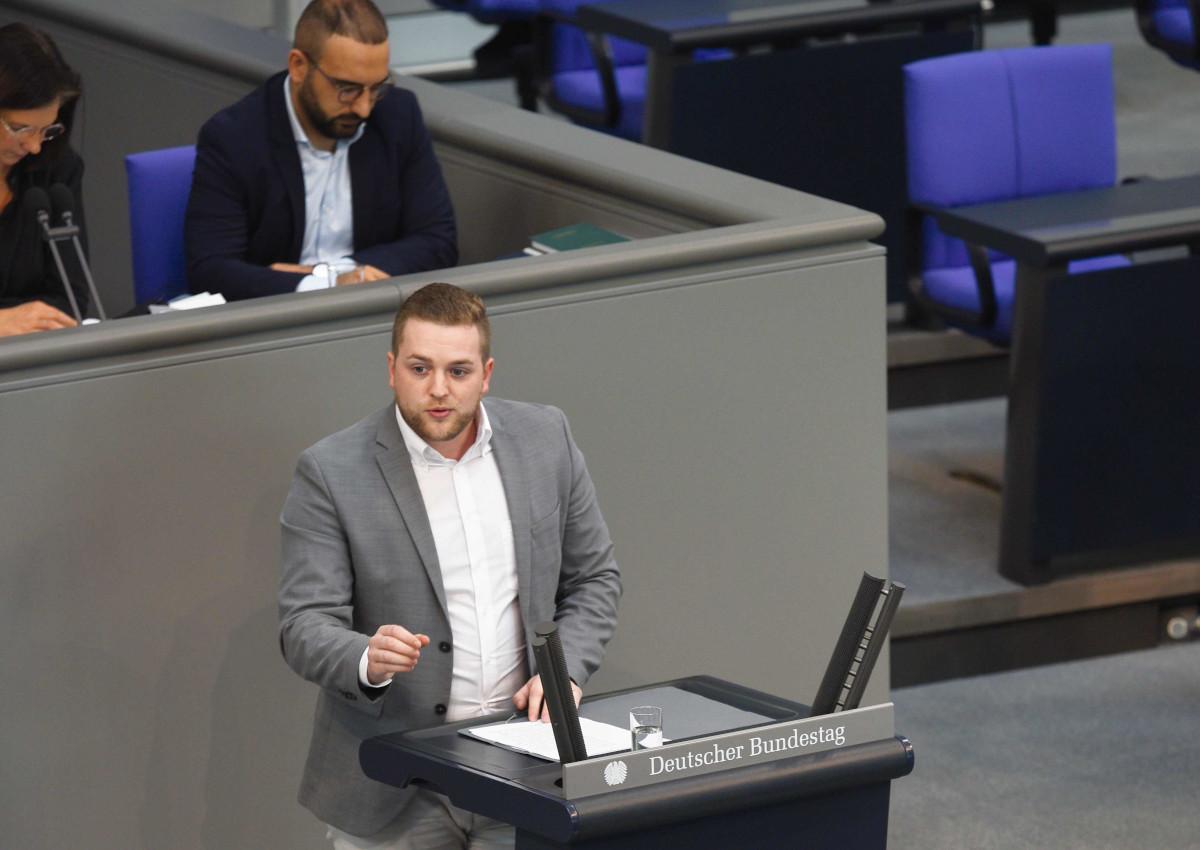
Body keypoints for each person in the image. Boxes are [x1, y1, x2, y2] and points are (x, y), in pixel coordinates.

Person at [278, 282, 621, 847]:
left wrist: (568, 672)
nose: (438, 390)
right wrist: (365, 657)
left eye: (458, 372)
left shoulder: (545, 438)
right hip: (395, 781)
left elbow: (594, 579)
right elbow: (303, 626)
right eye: (419, 368)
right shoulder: (331, 470)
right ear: (391, 369)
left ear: (487, 373)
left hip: (525, 767)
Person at [185, 0, 457, 301]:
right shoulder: (234, 138)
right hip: (276, 321)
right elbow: (210, 270)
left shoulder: (398, 116)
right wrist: (326, 283)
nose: (364, 108)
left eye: (377, 87)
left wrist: (341, 274)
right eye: (347, 89)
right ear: (298, 66)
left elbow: (438, 240)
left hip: (373, 313)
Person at [0, 23, 86, 337]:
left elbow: (70, 301)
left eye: (46, 130)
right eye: (21, 129)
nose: (35, 146)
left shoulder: (54, 169)